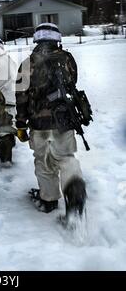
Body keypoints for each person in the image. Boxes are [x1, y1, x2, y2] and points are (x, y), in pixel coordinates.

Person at [15, 23, 87, 220]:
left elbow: (21, 97)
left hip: (38, 125)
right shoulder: (67, 59)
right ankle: (74, 190)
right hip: (64, 121)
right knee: (66, 158)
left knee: (43, 162)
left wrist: (21, 124)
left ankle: (48, 200)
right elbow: (73, 82)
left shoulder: (27, 64)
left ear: (37, 39)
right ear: (57, 38)